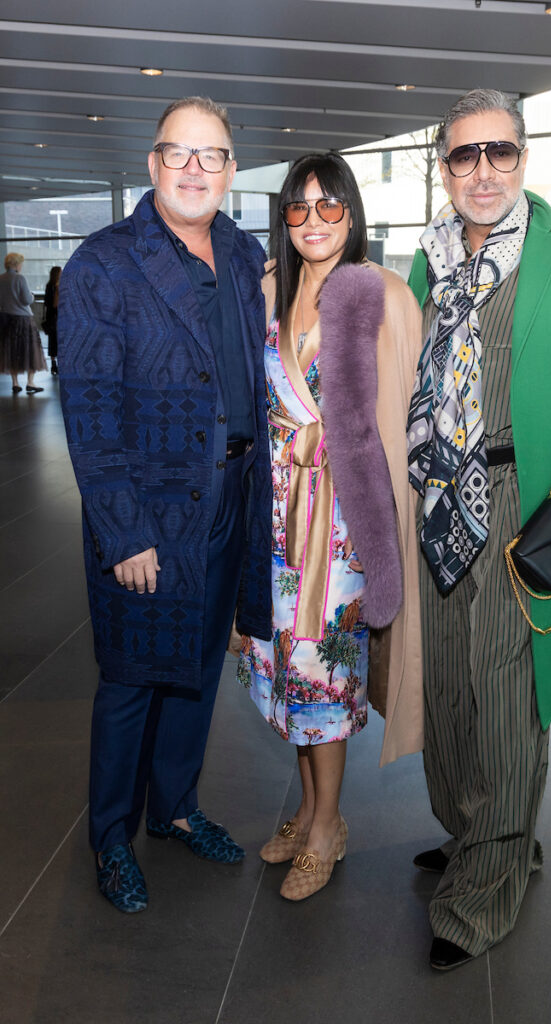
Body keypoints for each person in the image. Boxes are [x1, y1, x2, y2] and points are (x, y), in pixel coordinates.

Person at [406, 89, 551, 970]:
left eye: (497, 151)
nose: (482, 171)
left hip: (521, 513)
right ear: (444, 169)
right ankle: (477, 833)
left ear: (522, 159)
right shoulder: (427, 265)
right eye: (463, 155)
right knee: (448, 687)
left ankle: (482, 894)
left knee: (505, 696)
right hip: (437, 504)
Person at [59, 96, 272, 914]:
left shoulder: (244, 253)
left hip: (232, 496)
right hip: (148, 513)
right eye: (178, 153)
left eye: (211, 155)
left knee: (196, 670)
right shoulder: (104, 262)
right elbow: (89, 409)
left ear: (230, 170)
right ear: (153, 164)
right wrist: (124, 532)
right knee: (131, 677)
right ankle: (112, 837)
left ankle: (176, 808)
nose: (193, 168)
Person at [237, 153, 423, 901]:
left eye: (329, 205)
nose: (313, 221)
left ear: (352, 213)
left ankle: (326, 829)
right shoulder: (267, 289)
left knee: (324, 675)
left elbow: (404, 417)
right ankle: (313, 809)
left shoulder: (381, 294)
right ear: (283, 217)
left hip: (343, 525)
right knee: (288, 670)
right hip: (274, 515)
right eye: (299, 207)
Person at [0, 252, 47, 393]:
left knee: (12, 351)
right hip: (23, 319)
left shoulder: (1, 278)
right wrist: (32, 295)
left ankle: (15, 383)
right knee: (31, 350)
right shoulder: (19, 278)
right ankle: (30, 382)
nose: (21, 266)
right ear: (16, 264)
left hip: (7, 319)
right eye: (21, 263)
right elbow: (27, 299)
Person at [43, 265, 61, 375]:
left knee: (53, 341)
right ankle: (56, 364)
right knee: (56, 340)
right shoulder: (55, 287)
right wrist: (58, 292)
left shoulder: (48, 286)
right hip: (56, 318)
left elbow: (47, 303)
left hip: (51, 317)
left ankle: (54, 364)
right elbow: (55, 304)